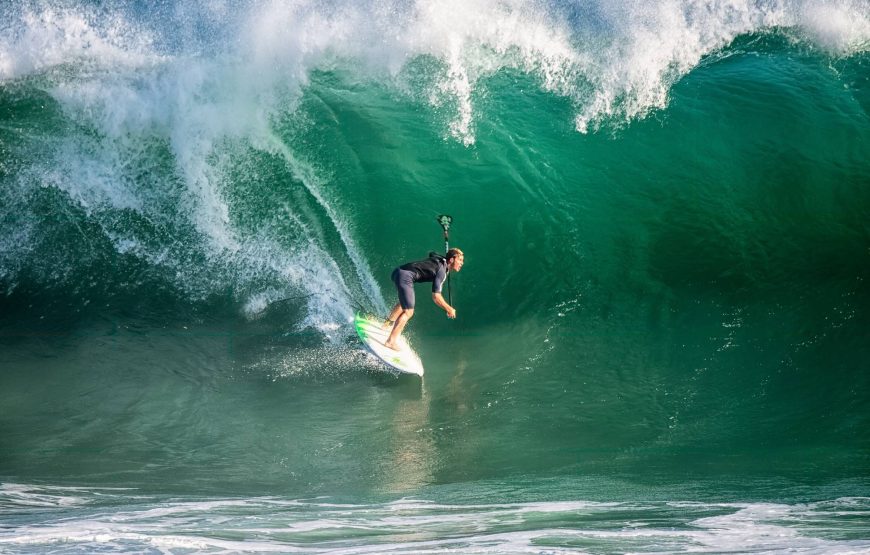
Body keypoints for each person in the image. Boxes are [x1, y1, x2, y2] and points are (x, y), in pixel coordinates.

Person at [382, 248, 465, 350]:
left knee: (404, 302)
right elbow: (436, 297)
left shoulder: (439, 259)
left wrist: (446, 257)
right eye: (460, 260)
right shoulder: (442, 272)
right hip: (405, 277)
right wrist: (449, 308)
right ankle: (391, 342)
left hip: (398, 271)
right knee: (409, 312)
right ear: (452, 260)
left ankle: (386, 325)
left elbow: (432, 253)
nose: (462, 263)